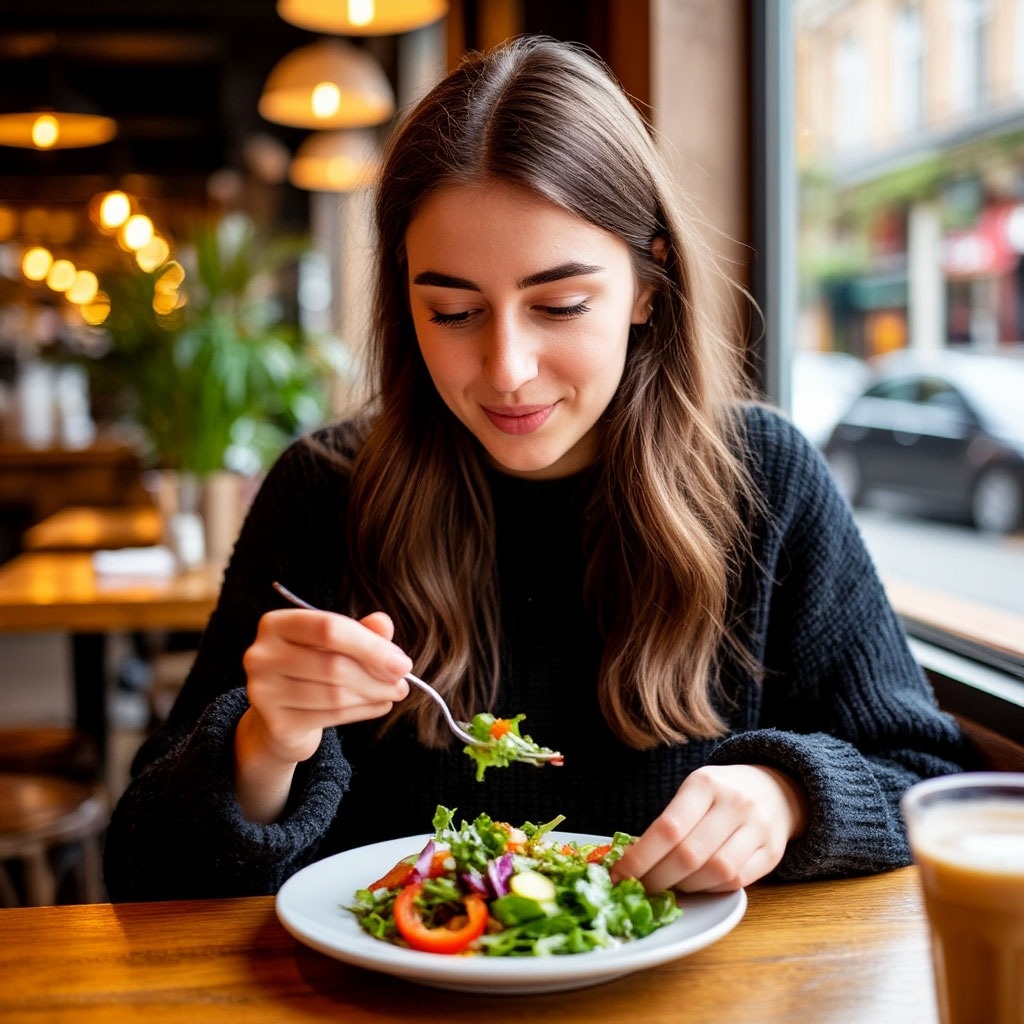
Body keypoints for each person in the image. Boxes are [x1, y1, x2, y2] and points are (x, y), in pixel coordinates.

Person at [103, 35, 976, 902]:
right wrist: (266, 745)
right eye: (452, 312)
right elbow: (139, 866)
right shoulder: (325, 490)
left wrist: (787, 795)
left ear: (646, 284)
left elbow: (925, 776)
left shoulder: (762, 479)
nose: (508, 367)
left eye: (558, 305)